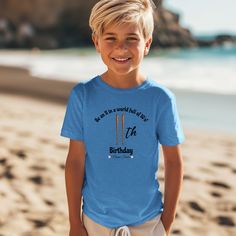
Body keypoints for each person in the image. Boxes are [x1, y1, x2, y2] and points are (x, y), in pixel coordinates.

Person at [60, 0, 185, 235]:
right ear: (97, 42)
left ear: (147, 43)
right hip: (95, 221)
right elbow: (75, 161)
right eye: (111, 38)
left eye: (131, 38)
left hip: (148, 222)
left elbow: (174, 162)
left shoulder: (161, 99)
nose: (121, 48)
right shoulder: (83, 95)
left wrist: (165, 222)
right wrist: (75, 223)